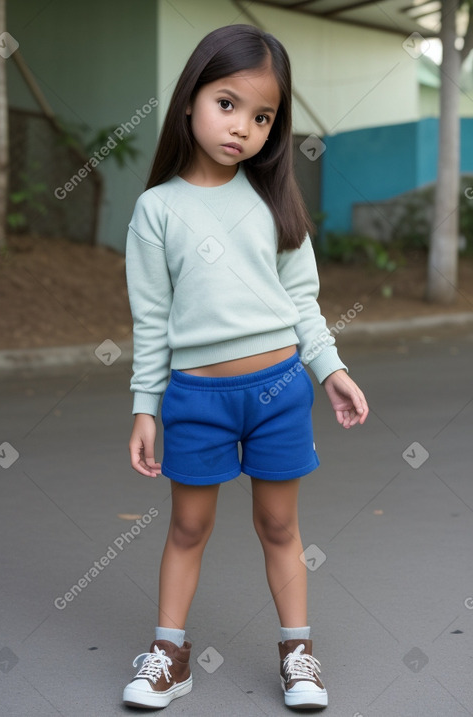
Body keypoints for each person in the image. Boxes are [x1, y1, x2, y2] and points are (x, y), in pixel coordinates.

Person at [122, 24, 368, 711]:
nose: (243, 128)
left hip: (280, 390)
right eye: (228, 104)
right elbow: (150, 321)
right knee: (187, 527)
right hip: (195, 397)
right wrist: (146, 406)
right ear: (190, 101)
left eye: (263, 117)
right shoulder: (157, 210)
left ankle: (299, 653)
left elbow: (303, 303)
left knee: (280, 527)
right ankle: (169, 654)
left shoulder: (275, 203)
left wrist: (331, 370)